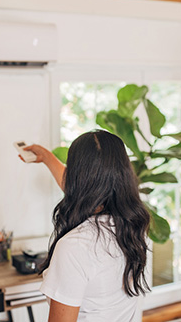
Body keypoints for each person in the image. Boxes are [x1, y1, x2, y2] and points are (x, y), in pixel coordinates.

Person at [22, 130, 150, 322]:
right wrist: (47, 158)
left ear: (76, 179)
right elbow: (90, 188)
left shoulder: (74, 247)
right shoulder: (134, 228)